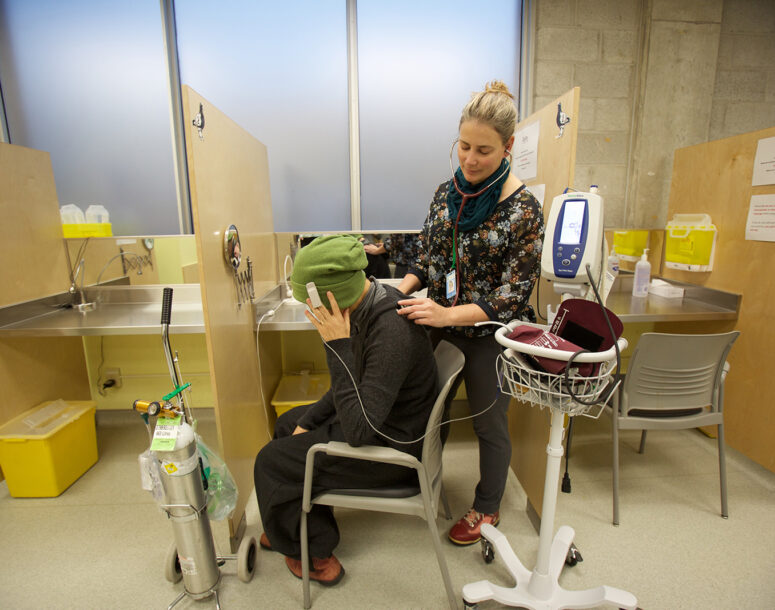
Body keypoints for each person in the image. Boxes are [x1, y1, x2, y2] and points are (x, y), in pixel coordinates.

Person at [397, 80, 544, 546]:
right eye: (463, 146)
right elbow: (426, 257)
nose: (470, 159)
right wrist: (398, 294)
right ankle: (420, 478)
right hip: (438, 320)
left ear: (509, 146)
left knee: (487, 422)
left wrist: (446, 315)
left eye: (484, 150)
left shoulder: (524, 212)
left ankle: (488, 505)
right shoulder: (447, 193)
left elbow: (512, 295)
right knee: (426, 407)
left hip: (488, 334)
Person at [254, 234, 439, 586]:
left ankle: (315, 554)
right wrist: (307, 422)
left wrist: (335, 343)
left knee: (271, 462)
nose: (312, 313)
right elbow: (353, 386)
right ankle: (298, 526)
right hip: (383, 418)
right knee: (287, 423)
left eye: (313, 305)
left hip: (393, 450)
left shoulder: (390, 330)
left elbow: (357, 432)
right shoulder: (371, 302)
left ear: (332, 297)